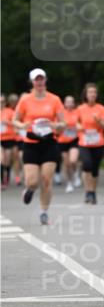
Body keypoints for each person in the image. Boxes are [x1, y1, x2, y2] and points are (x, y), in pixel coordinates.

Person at [12, 69, 64, 225]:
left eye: (41, 79)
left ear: (45, 80)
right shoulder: (25, 100)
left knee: (46, 180)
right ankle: (29, 190)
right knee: (33, 181)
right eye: (36, 80)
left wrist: (55, 125)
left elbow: (63, 123)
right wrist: (23, 124)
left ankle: (44, 212)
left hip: (49, 143)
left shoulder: (54, 99)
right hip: (31, 144)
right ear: (32, 82)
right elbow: (15, 120)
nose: (39, 83)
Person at [76, 83, 104, 205]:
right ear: (85, 94)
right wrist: (80, 127)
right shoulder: (80, 109)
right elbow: (75, 123)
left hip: (98, 142)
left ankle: (93, 192)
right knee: (87, 165)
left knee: (95, 169)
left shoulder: (101, 109)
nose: (93, 94)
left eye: (94, 92)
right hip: (84, 142)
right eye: (90, 92)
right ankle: (88, 191)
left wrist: (99, 121)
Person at [57, 95, 80, 193]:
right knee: (66, 164)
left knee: (73, 161)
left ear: (74, 103)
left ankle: (75, 174)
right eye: (67, 102)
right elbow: (56, 127)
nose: (69, 104)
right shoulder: (61, 113)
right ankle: (69, 182)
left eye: (71, 102)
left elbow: (82, 123)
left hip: (74, 139)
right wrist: (61, 127)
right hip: (63, 141)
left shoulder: (78, 112)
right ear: (64, 103)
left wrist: (78, 126)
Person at [0, 93, 17, 189]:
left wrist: (8, 123)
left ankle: (7, 175)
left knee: (7, 160)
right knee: (1, 159)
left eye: (2, 102)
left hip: (9, 138)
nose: (0, 103)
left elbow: (16, 124)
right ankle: (2, 181)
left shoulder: (10, 112)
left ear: (5, 102)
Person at [8, 92, 24, 186]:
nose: (13, 103)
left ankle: (22, 176)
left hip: (21, 138)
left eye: (15, 101)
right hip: (12, 138)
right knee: (15, 159)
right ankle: (17, 176)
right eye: (11, 101)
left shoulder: (21, 110)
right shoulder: (8, 110)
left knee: (22, 157)